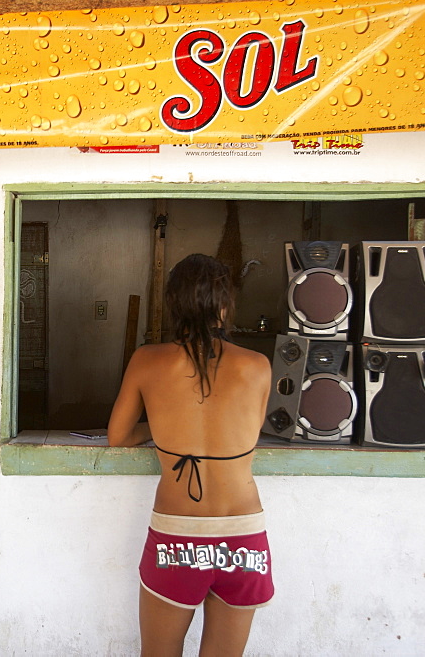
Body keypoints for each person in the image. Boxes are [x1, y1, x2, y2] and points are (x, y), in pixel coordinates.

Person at [107, 254, 274, 657]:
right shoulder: (258, 366)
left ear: (173, 303)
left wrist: (161, 430)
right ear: (224, 305)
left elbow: (119, 436)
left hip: (178, 533)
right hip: (243, 535)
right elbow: (246, 431)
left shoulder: (147, 361)